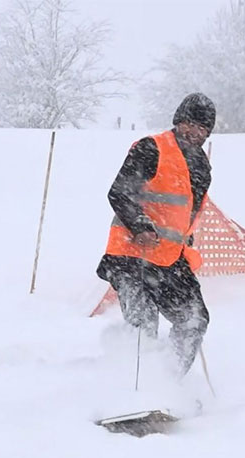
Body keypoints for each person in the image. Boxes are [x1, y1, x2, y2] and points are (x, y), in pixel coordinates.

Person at [96, 92, 215, 377]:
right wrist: (140, 225)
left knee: (194, 320)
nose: (194, 132)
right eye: (189, 124)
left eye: (202, 128)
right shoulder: (152, 148)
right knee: (143, 325)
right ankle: (132, 392)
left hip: (171, 260)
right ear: (178, 121)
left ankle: (167, 384)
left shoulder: (202, 166)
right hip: (130, 256)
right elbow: (119, 192)